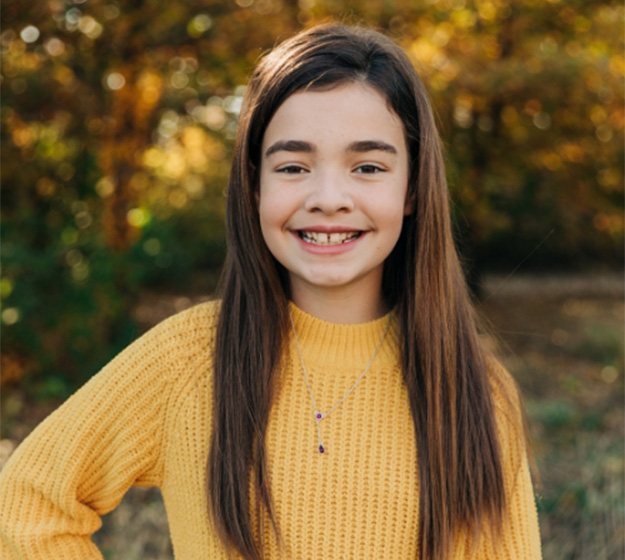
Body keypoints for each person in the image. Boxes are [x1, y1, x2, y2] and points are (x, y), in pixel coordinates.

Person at [0, 23, 541, 559]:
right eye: (293, 166)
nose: (329, 198)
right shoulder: (188, 359)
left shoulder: (477, 393)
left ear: (413, 188)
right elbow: (26, 506)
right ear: (255, 185)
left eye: (368, 166)